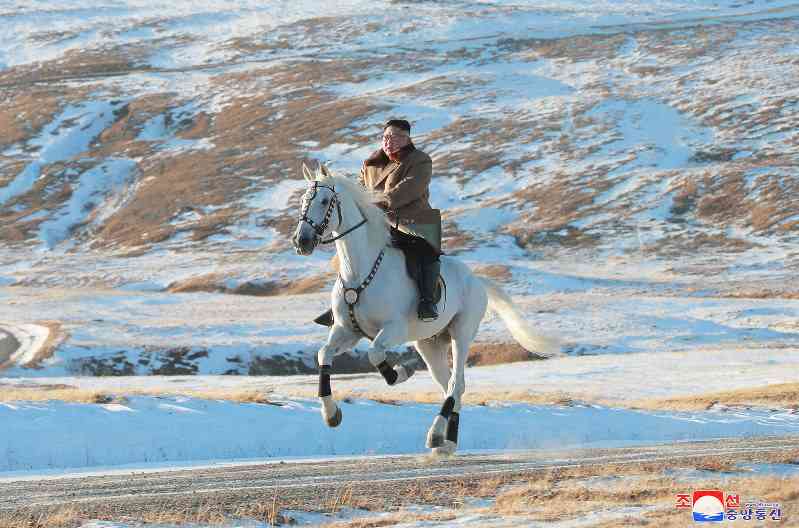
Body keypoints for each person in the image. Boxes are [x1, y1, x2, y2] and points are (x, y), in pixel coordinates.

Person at [314, 118, 442, 326]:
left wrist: (380, 203)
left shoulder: (420, 161)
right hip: (377, 222)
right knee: (347, 254)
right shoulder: (371, 163)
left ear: (406, 138)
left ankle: (427, 301)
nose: (388, 141)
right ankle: (342, 304)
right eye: (385, 137)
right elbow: (359, 190)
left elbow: (409, 188)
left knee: (425, 254)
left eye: (394, 137)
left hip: (411, 221)